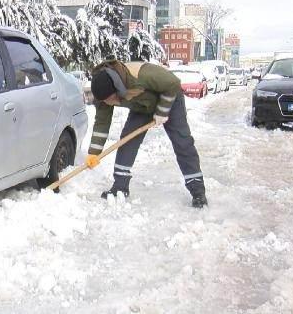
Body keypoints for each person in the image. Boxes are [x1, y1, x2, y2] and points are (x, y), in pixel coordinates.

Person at [85, 59, 208, 208]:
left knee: (182, 142)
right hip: (142, 107)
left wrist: (162, 111)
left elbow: (173, 83)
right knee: (127, 142)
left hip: (169, 99)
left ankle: (198, 191)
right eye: (105, 101)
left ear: (117, 89)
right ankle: (120, 186)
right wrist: (94, 153)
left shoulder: (141, 74)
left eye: (110, 99)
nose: (109, 103)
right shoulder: (103, 95)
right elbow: (101, 124)